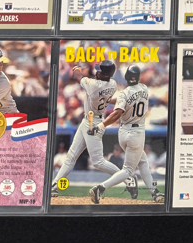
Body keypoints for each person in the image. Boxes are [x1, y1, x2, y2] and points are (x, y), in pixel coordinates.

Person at [51, 59, 136, 198]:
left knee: (98, 162)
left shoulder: (93, 85)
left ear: (104, 74)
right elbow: (103, 92)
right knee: (71, 156)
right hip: (89, 120)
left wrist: (76, 66)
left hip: (93, 123)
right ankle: (54, 185)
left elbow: (77, 76)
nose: (97, 72)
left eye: (99, 71)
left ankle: (128, 179)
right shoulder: (112, 83)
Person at [89, 65, 164, 203]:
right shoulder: (144, 88)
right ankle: (100, 188)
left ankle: (155, 193)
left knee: (143, 161)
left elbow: (118, 111)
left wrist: (100, 124)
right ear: (138, 77)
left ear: (126, 77)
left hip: (123, 133)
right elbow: (123, 102)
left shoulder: (124, 93)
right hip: (136, 133)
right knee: (128, 170)